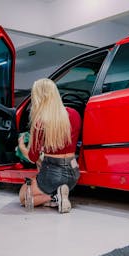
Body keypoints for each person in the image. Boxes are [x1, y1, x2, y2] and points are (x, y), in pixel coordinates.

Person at [17, 78, 81, 213]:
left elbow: (33, 158)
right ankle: (59, 194)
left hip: (53, 174)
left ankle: (54, 196)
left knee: (23, 198)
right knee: (42, 165)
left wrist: (22, 147)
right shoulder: (74, 114)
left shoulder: (40, 122)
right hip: (73, 173)